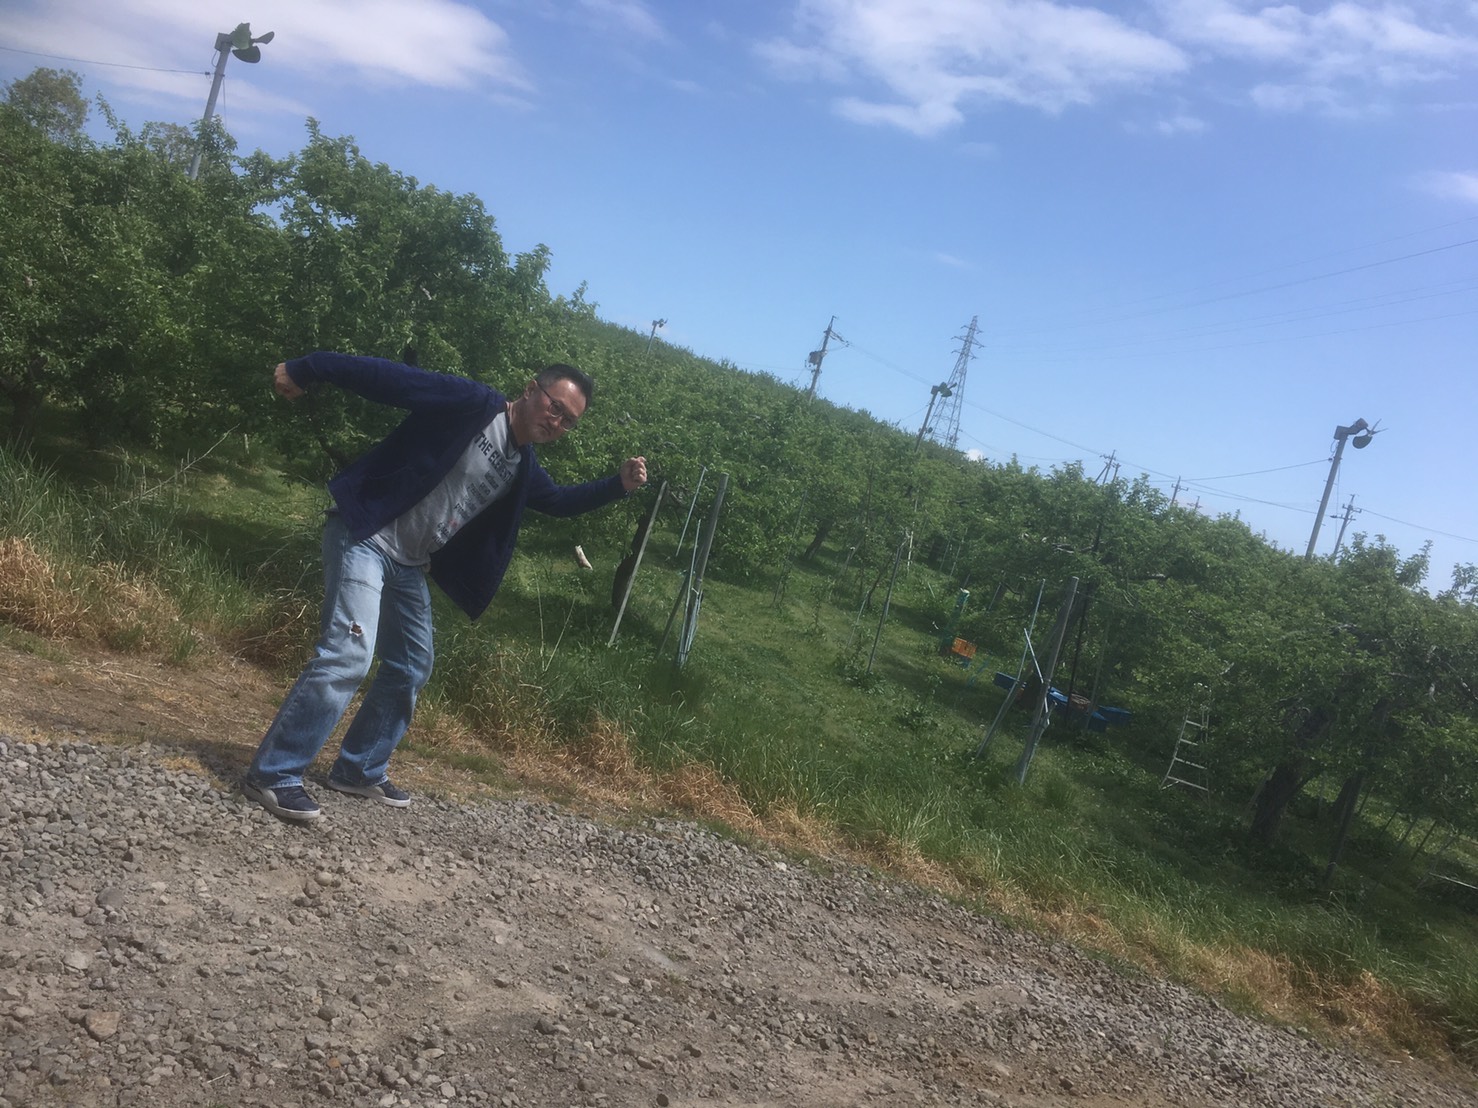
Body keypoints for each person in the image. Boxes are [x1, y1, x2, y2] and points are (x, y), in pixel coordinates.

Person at [242, 351, 647, 822]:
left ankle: (358, 769)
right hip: (366, 535)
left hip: (408, 563)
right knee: (348, 654)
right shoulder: (473, 404)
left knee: (411, 666)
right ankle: (273, 774)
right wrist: (309, 368)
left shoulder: (522, 464)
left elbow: (557, 500)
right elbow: (390, 380)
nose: (556, 422)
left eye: (568, 421)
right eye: (555, 407)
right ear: (530, 389)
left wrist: (617, 485)